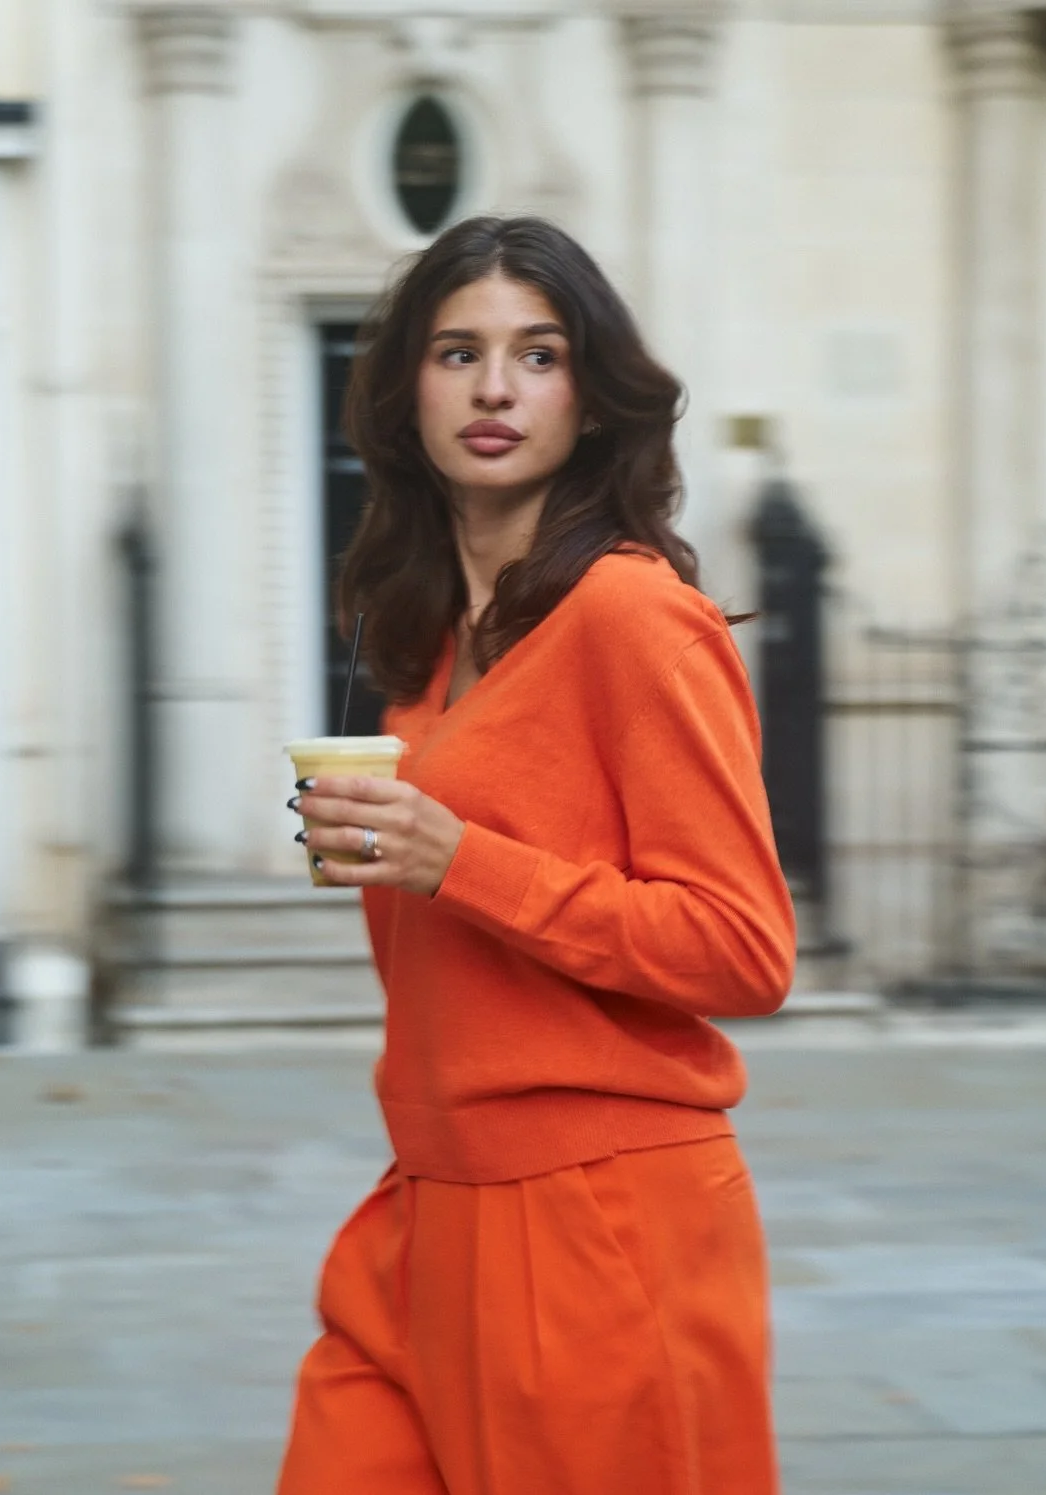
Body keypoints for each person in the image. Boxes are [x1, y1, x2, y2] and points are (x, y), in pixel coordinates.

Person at [280, 216, 796, 1495]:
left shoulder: (632, 617)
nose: (496, 388)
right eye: (458, 352)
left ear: (591, 396)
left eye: (539, 354)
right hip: (427, 1208)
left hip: (600, 1216)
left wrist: (464, 860)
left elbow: (744, 947)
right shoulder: (420, 640)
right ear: (407, 390)